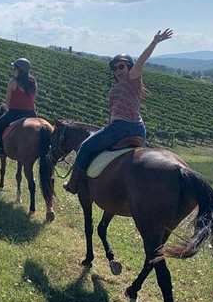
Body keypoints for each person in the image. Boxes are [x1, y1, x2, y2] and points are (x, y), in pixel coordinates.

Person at [63, 28, 173, 194]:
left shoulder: (132, 79)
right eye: (114, 69)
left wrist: (154, 42)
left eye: (121, 67)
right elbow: (113, 112)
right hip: (138, 129)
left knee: (85, 147)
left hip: (120, 128)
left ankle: (73, 184)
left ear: (129, 67)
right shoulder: (120, 86)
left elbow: (141, 61)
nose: (117, 71)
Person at [0, 58, 38, 157]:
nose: (13, 71)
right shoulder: (33, 82)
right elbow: (33, 99)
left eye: (15, 69)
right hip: (31, 114)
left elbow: (7, 102)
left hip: (15, 113)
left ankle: (1, 149)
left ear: (20, 70)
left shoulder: (13, 81)